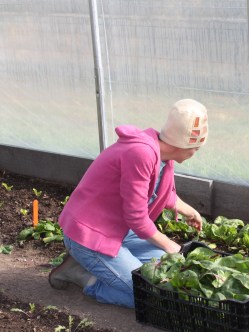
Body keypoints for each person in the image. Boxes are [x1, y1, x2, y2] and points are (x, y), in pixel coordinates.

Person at [48, 98, 208, 308]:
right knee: (151, 296)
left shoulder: (160, 154)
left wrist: (188, 210)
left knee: (167, 269)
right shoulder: (141, 153)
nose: (195, 153)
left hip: (119, 231)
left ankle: (106, 268)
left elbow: (155, 191)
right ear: (185, 145)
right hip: (90, 235)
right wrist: (170, 244)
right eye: (196, 148)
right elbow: (136, 217)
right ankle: (83, 276)